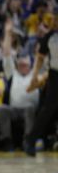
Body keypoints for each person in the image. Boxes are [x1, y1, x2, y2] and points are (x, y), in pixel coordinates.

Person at [0, 19, 38, 151]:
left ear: (30, 65)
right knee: (2, 108)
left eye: (25, 64)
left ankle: (28, 140)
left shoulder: (35, 74)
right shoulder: (13, 74)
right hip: (14, 110)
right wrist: (8, 34)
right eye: (20, 64)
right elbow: (7, 54)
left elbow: (42, 55)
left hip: (31, 109)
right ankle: (7, 140)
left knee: (30, 109)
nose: (22, 66)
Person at [25, 14, 58, 156]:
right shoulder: (50, 37)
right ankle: (31, 141)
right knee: (47, 110)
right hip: (55, 76)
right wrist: (34, 77)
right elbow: (39, 58)